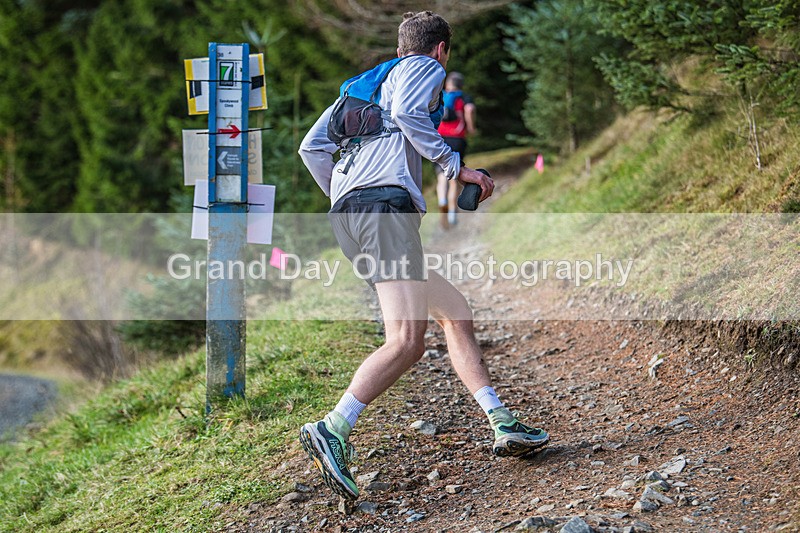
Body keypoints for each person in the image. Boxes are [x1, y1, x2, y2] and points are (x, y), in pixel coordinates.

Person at [297, 11, 549, 501]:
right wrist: (458, 168)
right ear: (441, 51)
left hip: (351, 217)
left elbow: (311, 148)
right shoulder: (423, 67)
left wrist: (348, 196)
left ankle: (502, 422)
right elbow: (413, 114)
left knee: (454, 314)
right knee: (408, 341)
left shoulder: (358, 89)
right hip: (382, 212)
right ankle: (332, 428)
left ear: (399, 47)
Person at [436, 71, 476, 229]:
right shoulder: (464, 97)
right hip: (457, 139)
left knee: (441, 176)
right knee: (454, 178)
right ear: (461, 84)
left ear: (447, 84)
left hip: (440, 139)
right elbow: (470, 109)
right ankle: (452, 213)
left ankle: (442, 201)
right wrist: (471, 128)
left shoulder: (440, 96)